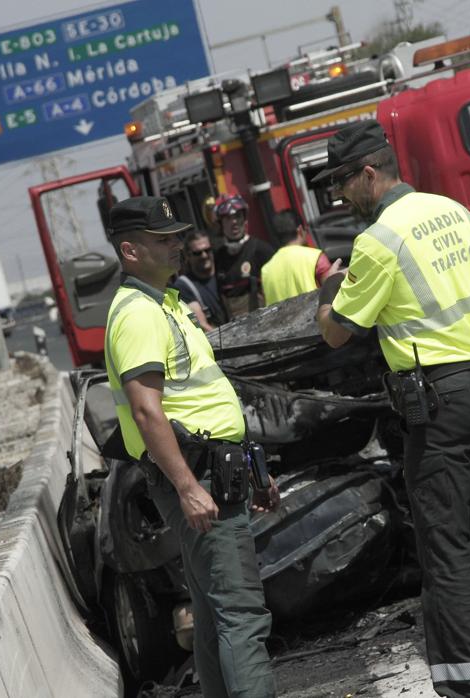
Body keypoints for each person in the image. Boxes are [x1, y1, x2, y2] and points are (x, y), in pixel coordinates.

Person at [312, 121, 470, 698]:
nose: (338, 196)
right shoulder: (452, 211)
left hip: (438, 406)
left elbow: (336, 335)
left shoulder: (377, 241)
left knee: (448, 549)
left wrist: (328, 289)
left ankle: (467, 687)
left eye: (341, 183)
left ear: (369, 174)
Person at [102, 196, 279, 698]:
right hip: (199, 479)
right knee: (241, 613)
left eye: (178, 235)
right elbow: (146, 411)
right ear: (131, 251)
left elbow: (205, 399)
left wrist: (254, 471)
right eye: (164, 240)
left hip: (216, 471)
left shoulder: (168, 303)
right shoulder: (137, 314)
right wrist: (185, 486)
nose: (178, 245)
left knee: (212, 613)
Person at [259, 210, 341, 305]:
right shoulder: (315, 257)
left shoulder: (265, 271)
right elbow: (333, 294)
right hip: (314, 318)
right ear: (300, 230)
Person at [213, 194, 276, 318]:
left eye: (238, 216)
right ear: (220, 224)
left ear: (244, 219)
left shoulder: (262, 250)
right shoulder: (218, 256)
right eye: (228, 218)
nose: (234, 222)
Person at [174, 229, 230, 331]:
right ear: (188, 256)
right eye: (197, 253)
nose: (204, 255)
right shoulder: (183, 286)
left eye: (207, 250)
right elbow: (201, 324)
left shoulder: (225, 270)